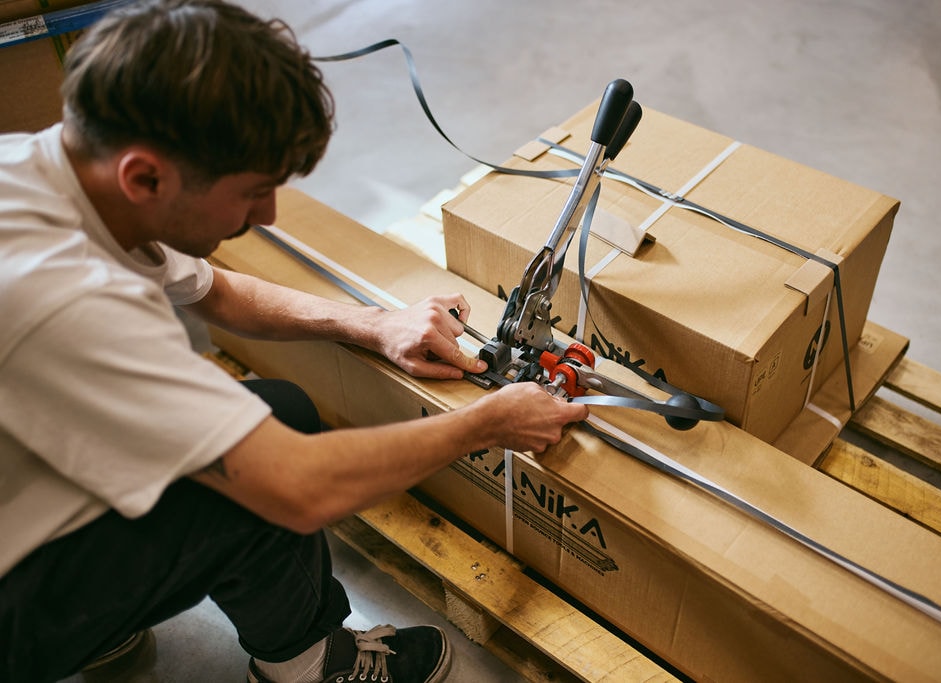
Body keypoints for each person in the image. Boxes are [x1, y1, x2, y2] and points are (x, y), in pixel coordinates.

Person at [0, 1, 588, 682]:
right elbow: (298, 490)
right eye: (252, 192)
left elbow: (216, 292)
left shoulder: (50, 170)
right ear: (144, 176)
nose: (268, 216)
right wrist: (489, 421)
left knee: (277, 410)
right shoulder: (67, 299)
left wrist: (372, 322)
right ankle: (312, 665)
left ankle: (95, 613)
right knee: (256, 478)